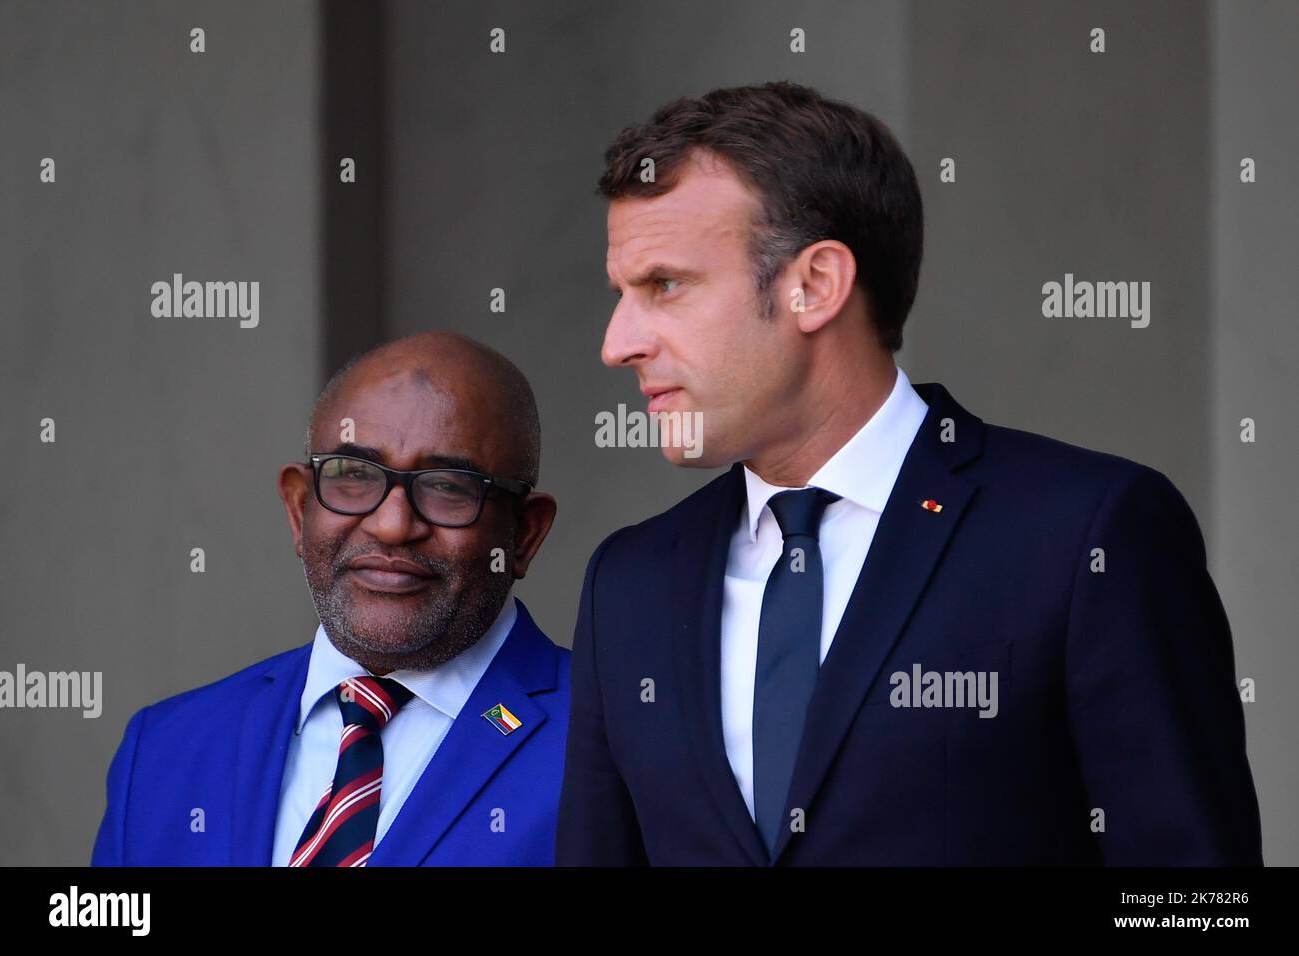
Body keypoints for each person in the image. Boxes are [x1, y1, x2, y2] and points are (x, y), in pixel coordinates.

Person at [557, 81, 1263, 865]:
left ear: (816, 284)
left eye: (665, 285)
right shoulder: (629, 583)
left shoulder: (1086, 535)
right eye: (623, 293)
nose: (617, 343)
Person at [93, 331, 566, 866]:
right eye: (354, 476)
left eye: (449, 486)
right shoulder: (165, 749)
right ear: (299, 510)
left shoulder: (617, 744)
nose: (392, 526)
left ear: (525, 534)